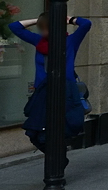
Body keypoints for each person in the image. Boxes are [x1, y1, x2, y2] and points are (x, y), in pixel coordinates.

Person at [8, 13, 92, 151]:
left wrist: (70, 19)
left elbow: (86, 24)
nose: (44, 31)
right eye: (42, 28)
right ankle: (56, 156)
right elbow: (14, 27)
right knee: (36, 131)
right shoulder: (38, 41)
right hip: (42, 90)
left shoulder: (71, 41)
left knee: (62, 126)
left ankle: (58, 157)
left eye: (47, 28)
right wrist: (38, 20)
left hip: (65, 89)